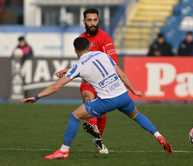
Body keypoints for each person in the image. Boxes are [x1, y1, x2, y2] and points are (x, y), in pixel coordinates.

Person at [23, 37, 173, 160]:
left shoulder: (79, 65)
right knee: (137, 115)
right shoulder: (103, 55)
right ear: (89, 46)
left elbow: (56, 86)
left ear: (76, 50)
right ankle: (158, 136)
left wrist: (37, 97)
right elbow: (122, 75)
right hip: (123, 96)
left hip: (107, 101)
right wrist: (134, 90)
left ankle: (64, 150)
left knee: (74, 116)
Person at [56, 8, 118, 154]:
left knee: (102, 114)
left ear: (98, 21)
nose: (92, 23)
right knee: (88, 98)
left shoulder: (105, 38)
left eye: (95, 20)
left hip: (103, 83)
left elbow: (113, 61)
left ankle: (98, 140)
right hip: (88, 81)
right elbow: (82, 63)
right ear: (84, 21)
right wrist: (69, 69)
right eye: (89, 20)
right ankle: (93, 130)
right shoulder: (81, 40)